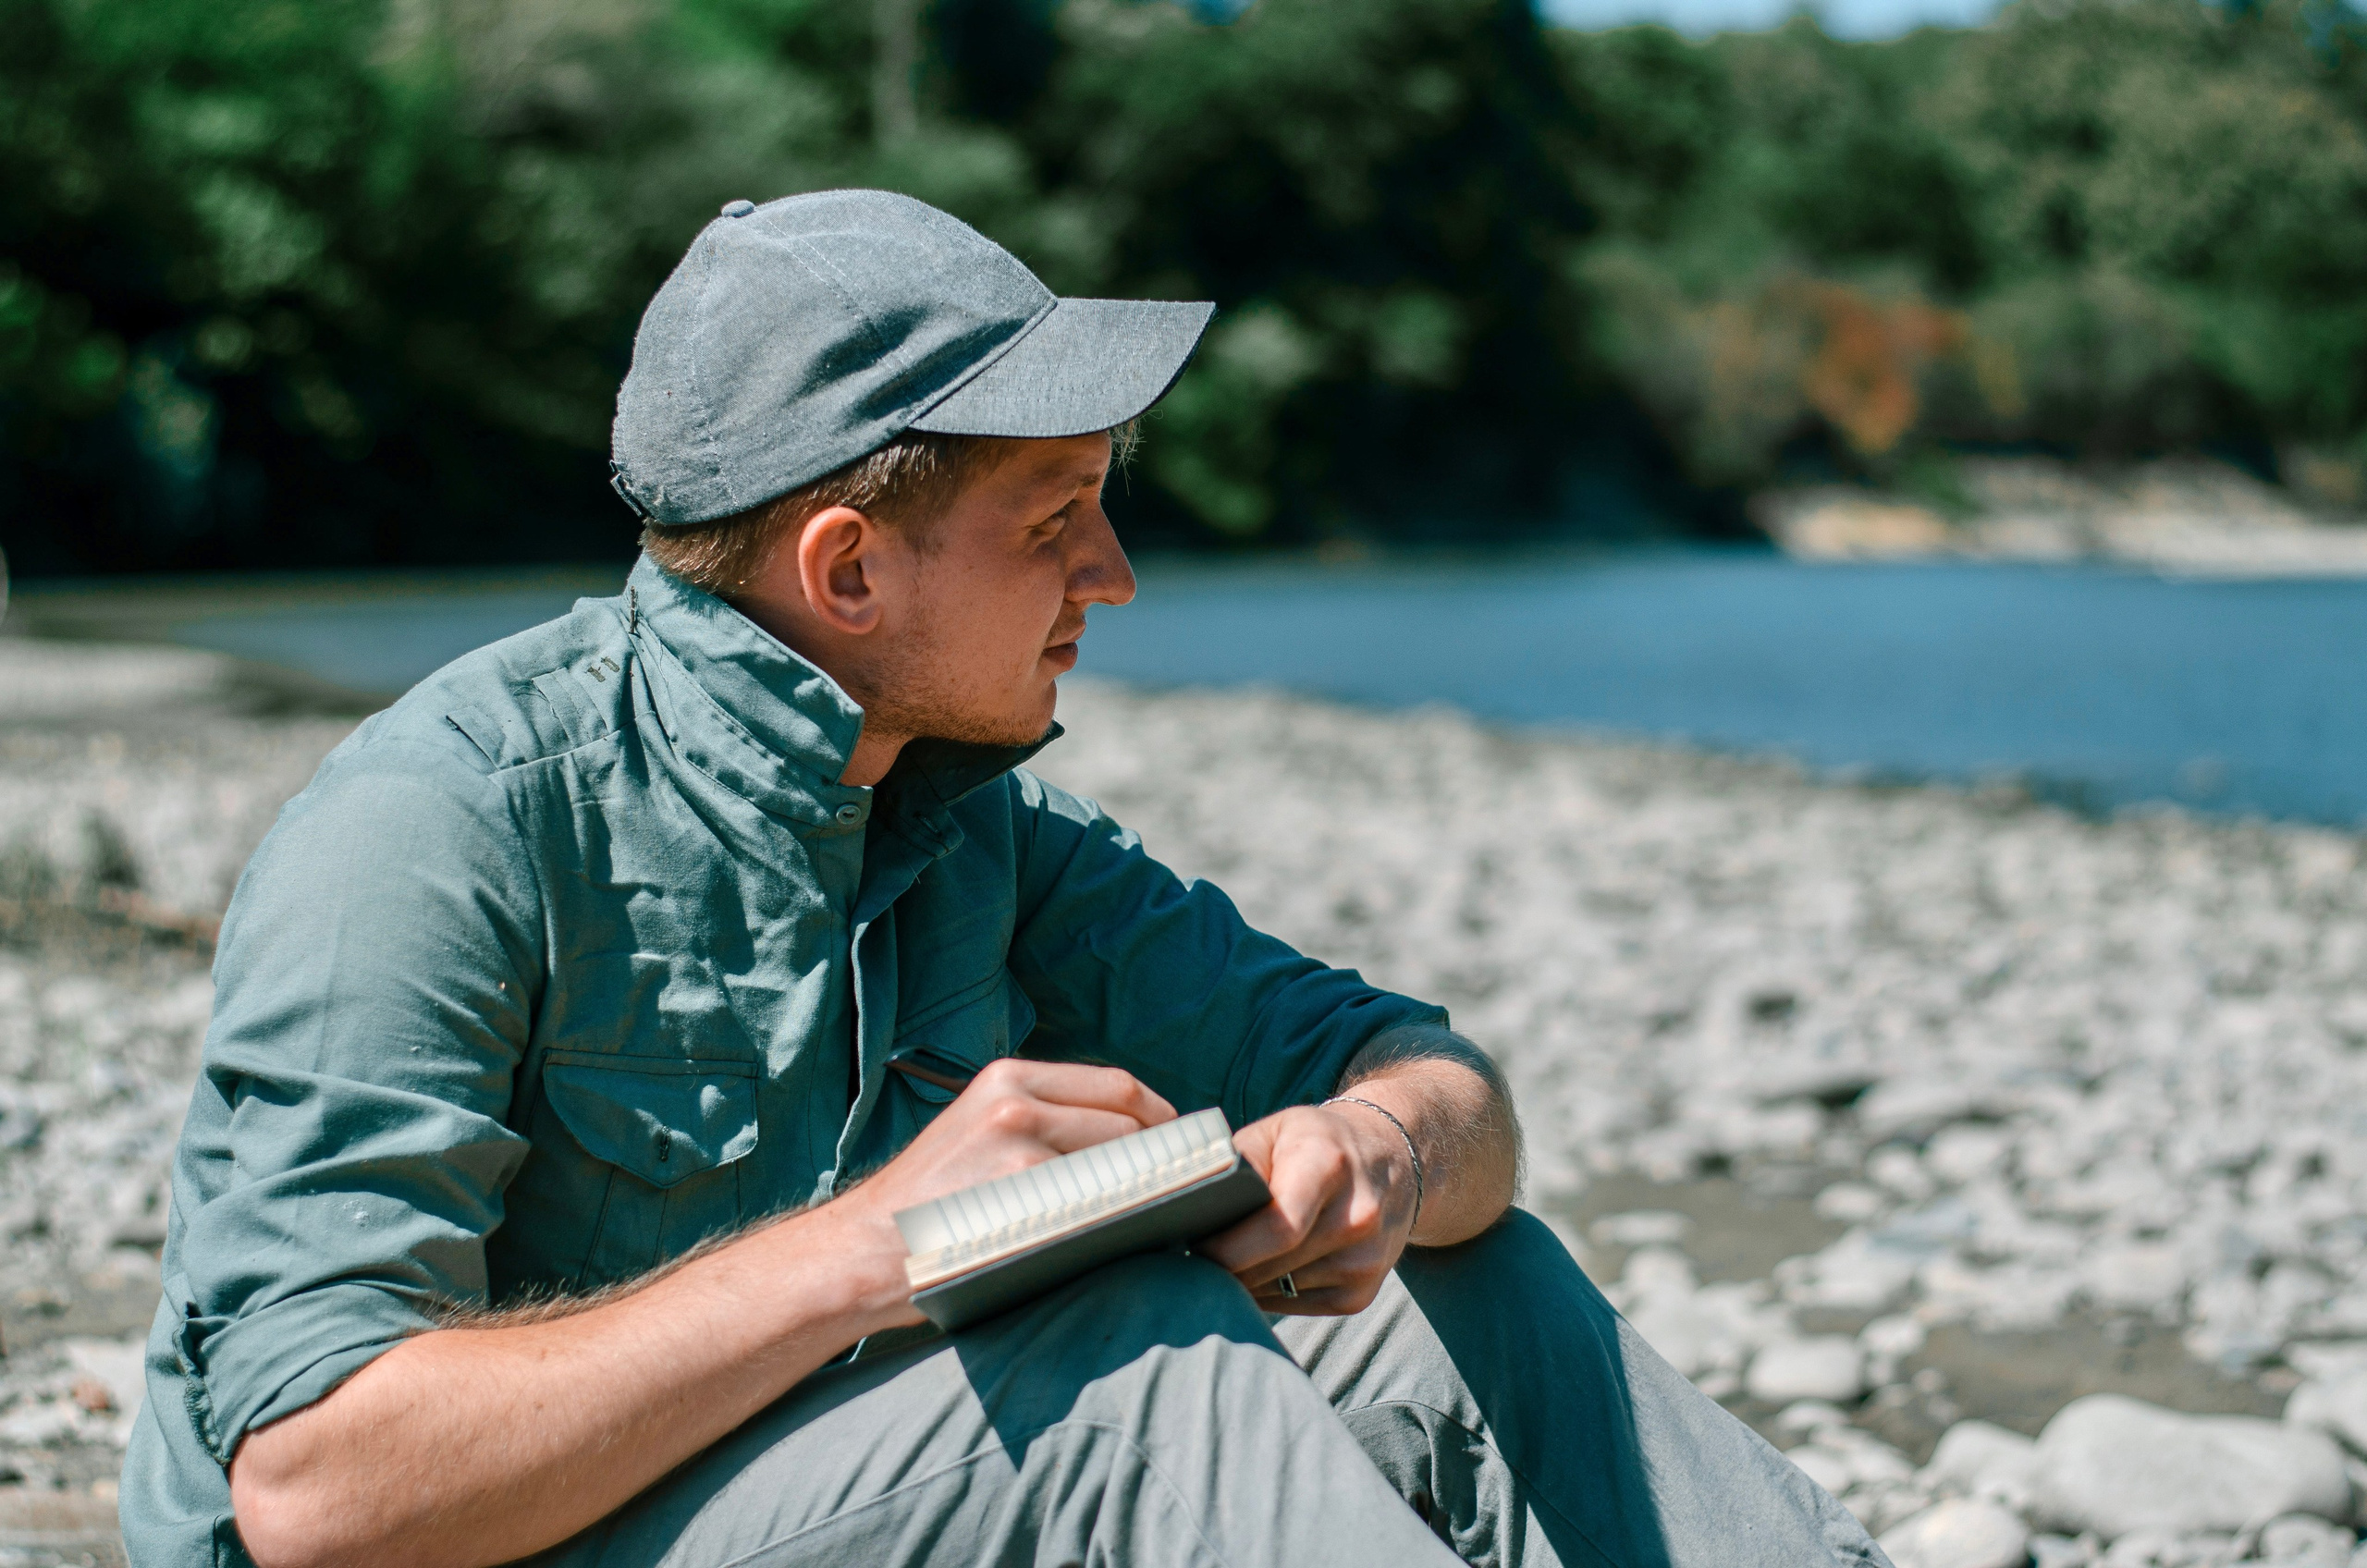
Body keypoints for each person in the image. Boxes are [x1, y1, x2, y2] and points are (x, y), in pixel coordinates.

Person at [120, 190, 1888, 1568]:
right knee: (1131, 1366)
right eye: (1056, 519)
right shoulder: (441, 823)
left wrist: (1381, 1150)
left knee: (1459, 1273)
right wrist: (877, 1252)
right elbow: (322, 1490)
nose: (1112, 577)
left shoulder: (967, 822)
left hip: (777, 1495)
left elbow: (1453, 1093)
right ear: (849, 569)